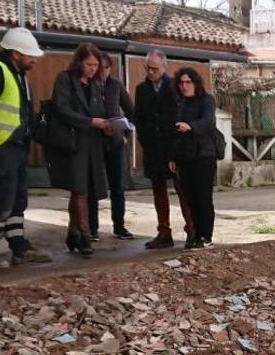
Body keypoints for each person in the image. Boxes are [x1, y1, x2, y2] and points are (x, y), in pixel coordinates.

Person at [0, 27, 52, 268]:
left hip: (17, 146)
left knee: (18, 199)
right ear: (15, 53)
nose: (34, 59)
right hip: (2, 147)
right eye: (29, 55)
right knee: (2, 199)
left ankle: (19, 247)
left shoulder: (19, 75)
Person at [44, 42, 112, 257]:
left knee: (85, 188)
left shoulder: (96, 85)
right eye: (89, 64)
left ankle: (73, 232)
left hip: (92, 143)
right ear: (79, 62)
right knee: (79, 188)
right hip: (72, 142)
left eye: (96, 65)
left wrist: (109, 126)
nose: (92, 68)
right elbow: (61, 108)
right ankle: (84, 235)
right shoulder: (65, 79)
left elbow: (101, 111)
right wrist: (90, 122)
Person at [134, 49, 193, 249]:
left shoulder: (175, 88)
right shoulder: (142, 89)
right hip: (153, 148)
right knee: (158, 192)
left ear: (164, 67)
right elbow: (139, 118)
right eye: (148, 68)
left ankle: (192, 230)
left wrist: (177, 148)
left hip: (173, 147)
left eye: (155, 69)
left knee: (183, 190)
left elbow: (181, 116)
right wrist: (144, 140)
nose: (151, 72)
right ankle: (164, 232)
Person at [88, 53, 135, 241]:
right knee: (93, 186)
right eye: (101, 67)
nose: (103, 72)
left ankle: (119, 226)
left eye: (107, 68)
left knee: (118, 187)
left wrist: (126, 132)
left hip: (115, 143)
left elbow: (132, 111)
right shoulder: (88, 85)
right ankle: (92, 229)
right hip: (95, 143)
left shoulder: (116, 85)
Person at [170, 68, 217, 250]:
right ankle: (196, 234)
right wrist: (172, 156)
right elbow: (174, 133)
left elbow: (208, 121)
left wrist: (191, 126)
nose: (184, 86)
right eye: (181, 83)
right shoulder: (179, 104)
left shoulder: (206, 100)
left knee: (203, 197)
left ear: (195, 83)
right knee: (190, 198)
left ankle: (206, 236)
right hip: (184, 157)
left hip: (203, 155)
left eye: (188, 82)